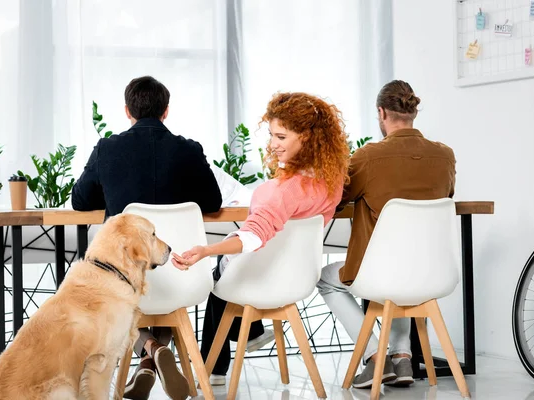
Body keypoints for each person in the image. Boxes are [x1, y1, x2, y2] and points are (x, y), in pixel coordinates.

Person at [171, 92, 351, 385]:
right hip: (298, 278)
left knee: (220, 272)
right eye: (271, 136)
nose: (272, 144)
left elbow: (253, 236)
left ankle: (215, 364)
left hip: (259, 277)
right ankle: (248, 333)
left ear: (306, 137)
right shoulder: (331, 182)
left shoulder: (277, 191)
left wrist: (205, 249)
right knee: (224, 270)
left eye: (280, 137)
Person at [71, 76, 222, 400]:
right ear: (166, 111)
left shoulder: (108, 149)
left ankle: (148, 348)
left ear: (128, 111)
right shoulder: (189, 150)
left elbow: (81, 202)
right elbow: (213, 202)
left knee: (104, 291)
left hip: (125, 279)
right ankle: (154, 356)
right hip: (183, 271)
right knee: (171, 296)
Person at [317, 80, 456, 390]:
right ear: (413, 111)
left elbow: (338, 199)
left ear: (381, 112)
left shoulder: (369, 156)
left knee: (326, 279)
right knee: (403, 267)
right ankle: (403, 356)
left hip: (384, 274)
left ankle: (372, 357)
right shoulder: (445, 156)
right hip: (431, 272)